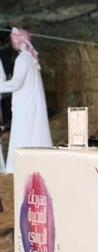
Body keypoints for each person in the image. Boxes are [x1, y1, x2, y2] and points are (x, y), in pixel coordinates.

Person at [0, 28, 52, 173]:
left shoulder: (22, 58)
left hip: (25, 105)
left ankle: (18, 166)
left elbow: (16, 83)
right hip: (30, 103)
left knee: (23, 134)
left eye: (13, 38)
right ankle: (37, 163)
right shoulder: (30, 57)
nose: (12, 42)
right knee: (34, 132)